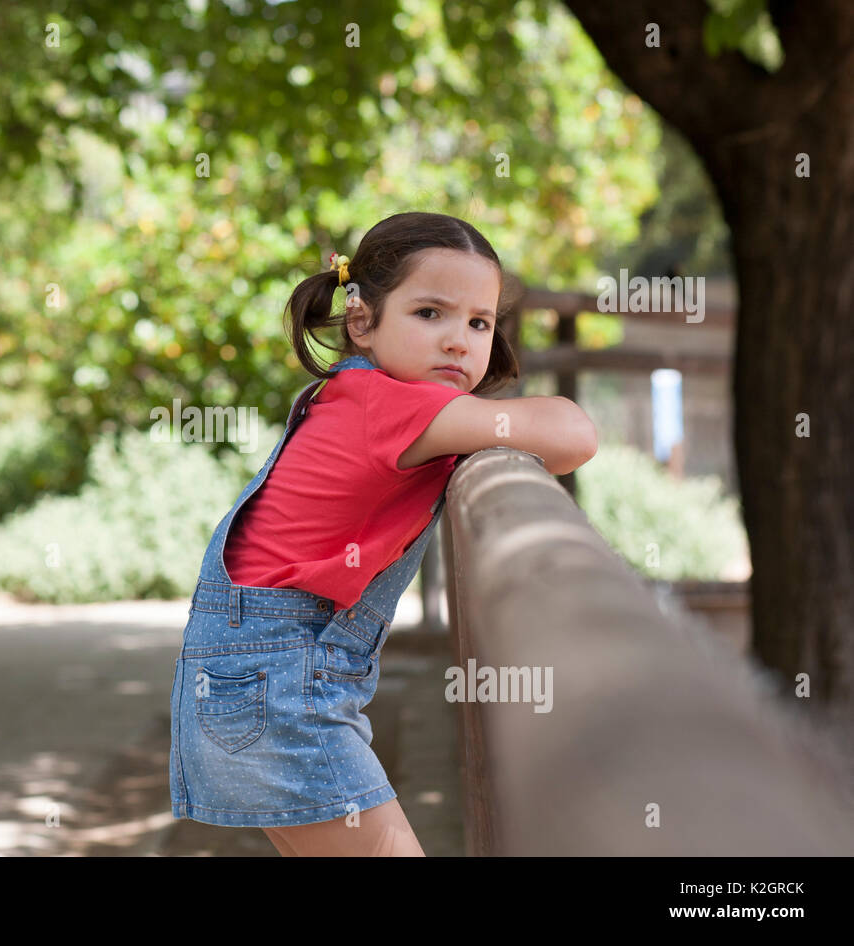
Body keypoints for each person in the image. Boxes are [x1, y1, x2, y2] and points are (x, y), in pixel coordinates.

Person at [167, 211, 598, 856]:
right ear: (362, 321)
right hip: (284, 684)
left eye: (479, 323)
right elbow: (574, 436)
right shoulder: (393, 405)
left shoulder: (354, 394)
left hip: (260, 677)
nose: (459, 341)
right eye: (431, 313)